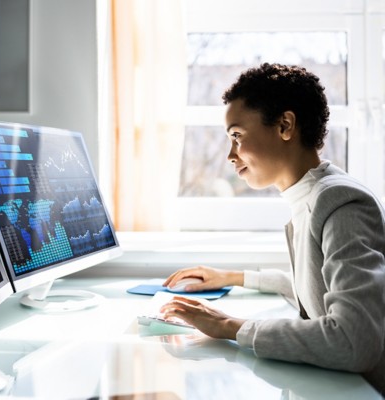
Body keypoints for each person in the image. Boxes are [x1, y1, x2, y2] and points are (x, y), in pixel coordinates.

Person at [160, 63, 385, 395]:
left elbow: (354, 341)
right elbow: (316, 290)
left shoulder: (341, 203)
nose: (230, 155)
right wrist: (233, 277)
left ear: (285, 125)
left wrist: (230, 326)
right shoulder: (312, 195)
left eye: (237, 136)